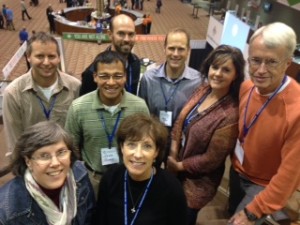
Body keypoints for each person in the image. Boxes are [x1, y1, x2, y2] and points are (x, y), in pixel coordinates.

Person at [228, 22, 300, 225]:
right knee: (232, 210)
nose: (260, 70)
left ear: (287, 63)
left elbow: (289, 176)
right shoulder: (247, 86)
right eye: (255, 60)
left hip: (263, 185)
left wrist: (253, 212)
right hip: (238, 170)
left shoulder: (296, 110)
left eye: (271, 62)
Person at [167, 44, 245, 225]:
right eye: (215, 67)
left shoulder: (231, 114)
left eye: (226, 70)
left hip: (197, 184)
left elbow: (211, 160)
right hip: (175, 167)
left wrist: (178, 166)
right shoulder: (203, 89)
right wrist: (172, 153)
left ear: (235, 75)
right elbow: (181, 120)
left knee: (184, 217)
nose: (217, 73)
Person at [65, 50, 149, 198]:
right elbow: (72, 147)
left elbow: (146, 144)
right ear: (95, 77)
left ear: (125, 77)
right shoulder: (78, 108)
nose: (111, 82)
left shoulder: (139, 107)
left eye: (117, 76)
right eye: (104, 76)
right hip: (92, 181)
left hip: (129, 178)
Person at [93, 113, 188, 225]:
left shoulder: (172, 188)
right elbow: (99, 220)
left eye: (147, 146)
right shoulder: (110, 178)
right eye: (131, 145)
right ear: (122, 147)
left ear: (156, 152)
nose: (138, 154)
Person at [0, 121, 95, 225]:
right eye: (44, 156)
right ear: (28, 161)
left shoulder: (80, 175)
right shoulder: (8, 209)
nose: (55, 163)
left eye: (61, 152)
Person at [2, 32, 81, 156]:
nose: (46, 62)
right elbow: (16, 142)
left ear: (59, 57)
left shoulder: (75, 87)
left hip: (67, 162)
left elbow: (78, 132)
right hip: (32, 165)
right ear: (28, 57)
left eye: (51, 56)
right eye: (39, 56)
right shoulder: (13, 93)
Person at [138, 28, 201, 162]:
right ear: (165, 49)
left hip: (181, 146)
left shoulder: (198, 82)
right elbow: (142, 115)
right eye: (171, 48)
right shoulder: (149, 79)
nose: (175, 54)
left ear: (188, 51)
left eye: (181, 49)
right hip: (153, 141)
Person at [80, 14, 140, 96]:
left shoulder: (135, 62)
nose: (127, 39)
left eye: (131, 34)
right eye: (121, 34)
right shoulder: (92, 72)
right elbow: (85, 104)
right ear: (110, 34)